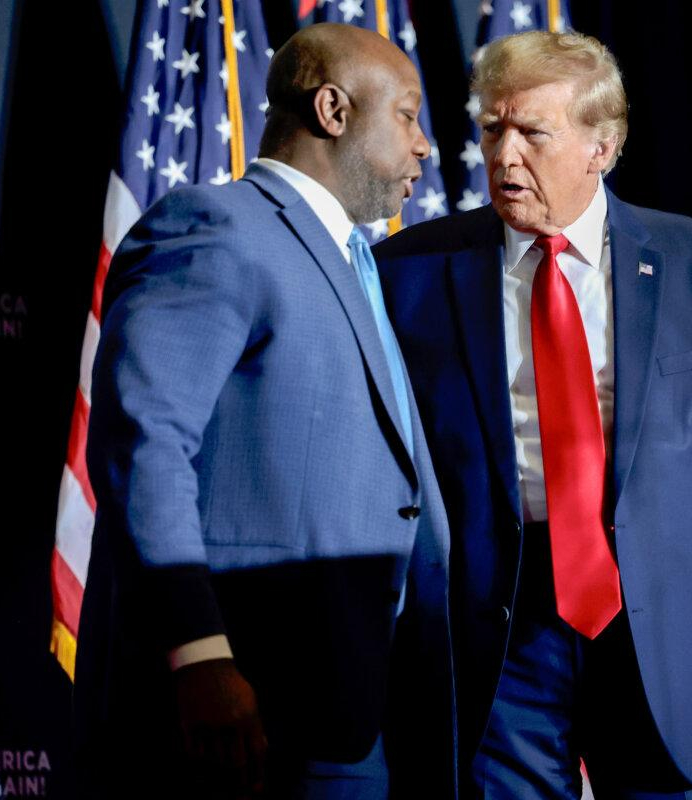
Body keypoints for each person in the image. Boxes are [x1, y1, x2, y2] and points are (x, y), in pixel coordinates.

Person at [374, 30, 692, 800]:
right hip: (497, 640)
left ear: (601, 147)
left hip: (666, 631)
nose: (504, 157)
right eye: (493, 128)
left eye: (533, 133)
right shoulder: (409, 273)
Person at [73, 23, 454, 800]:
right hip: (249, 716)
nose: (426, 147)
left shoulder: (361, 262)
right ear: (334, 110)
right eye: (410, 116)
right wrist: (199, 652)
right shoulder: (216, 230)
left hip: (361, 708)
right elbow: (146, 443)